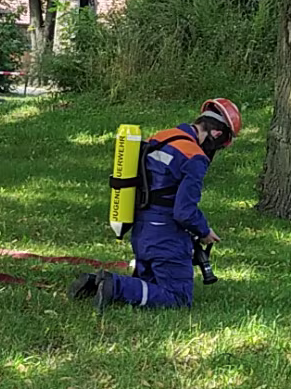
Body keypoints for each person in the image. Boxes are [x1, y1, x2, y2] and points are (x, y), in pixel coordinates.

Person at [68, 99, 243, 311]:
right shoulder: (194, 157)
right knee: (178, 298)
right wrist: (204, 231)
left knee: (151, 286)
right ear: (216, 134)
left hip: (142, 232)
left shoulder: (162, 137)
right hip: (166, 238)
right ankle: (115, 285)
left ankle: (95, 282)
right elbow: (184, 212)